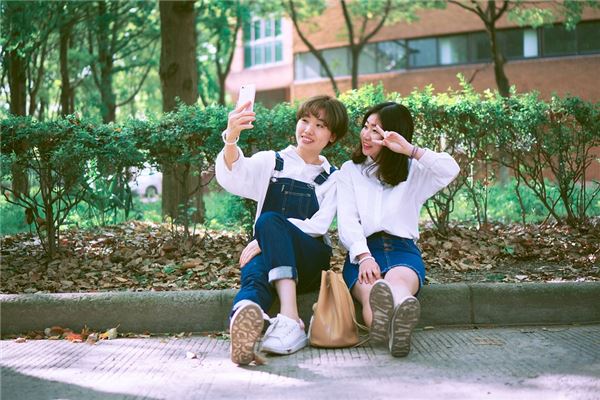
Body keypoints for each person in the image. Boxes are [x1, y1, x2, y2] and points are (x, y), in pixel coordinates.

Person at [215, 95, 348, 365]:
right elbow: (235, 174)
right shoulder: (272, 162)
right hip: (271, 256)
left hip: (309, 260)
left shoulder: (333, 177)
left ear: (332, 136)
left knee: (267, 222)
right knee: (255, 275)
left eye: (320, 125)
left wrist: (267, 237)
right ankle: (246, 314)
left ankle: (290, 318)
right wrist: (231, 138)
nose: (308, 129)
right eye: (305, 120)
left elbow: (318, 225)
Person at [337, 102, 459, 357]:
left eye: (376, 131)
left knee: (398, 285)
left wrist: (411, 150)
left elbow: (451, 169)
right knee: (373, 293)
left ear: (393, 135)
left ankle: (400, 321)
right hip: (363, 252)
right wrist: (364, 256)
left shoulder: (414, 171)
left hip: (402, 249)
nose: (366, 135)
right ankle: (393, 332)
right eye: (366, 127)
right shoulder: (350, 170)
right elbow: (347, 220)